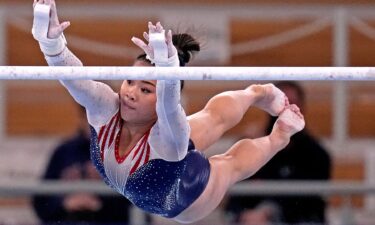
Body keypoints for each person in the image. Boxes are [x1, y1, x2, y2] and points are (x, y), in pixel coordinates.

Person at [31, 0, 305, 223]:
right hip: (164, 159)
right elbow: (76, 80)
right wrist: (52, 46)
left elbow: (170, 105)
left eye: (146, 90)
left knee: (228, 160)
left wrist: (169, 68)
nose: (130, 92)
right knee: (210, 120)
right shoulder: (106, 110)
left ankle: (274, 131)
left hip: (190, 194)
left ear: (161, 96)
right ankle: (258, 94)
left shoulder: (167, 134)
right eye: (130, 80)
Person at [225, 81, 332, 225]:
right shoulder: (249, 146)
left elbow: (311, 203)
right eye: (282, 105)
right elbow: (235, 199)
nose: (286, 112)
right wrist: (244, 215)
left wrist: (270, 212)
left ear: (302, 108)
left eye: (292, 104)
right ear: (269, 108)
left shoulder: (316, 155)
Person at [32, 106, 132, 224]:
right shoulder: (63, 151)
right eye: (92, 117)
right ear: (82, 118)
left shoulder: (128, 154)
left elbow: (139, 206)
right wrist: (64, 202)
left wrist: (101, 203)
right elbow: (41, 202)